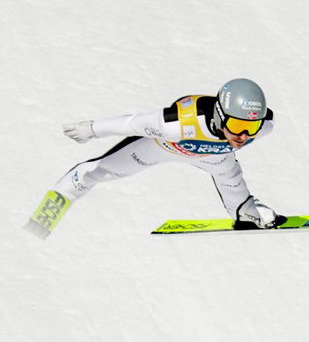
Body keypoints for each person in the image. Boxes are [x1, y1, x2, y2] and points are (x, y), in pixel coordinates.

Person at [25, 78, 284, 239]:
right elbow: (132, 124)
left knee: (229, 174)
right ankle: (42, 220)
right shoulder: (178, 124)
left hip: (213, 154)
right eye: (236, 125)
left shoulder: (264, 126)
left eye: (251, 128)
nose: (242, 136)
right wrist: (92, 129)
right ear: (218, 114)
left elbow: (240, 143)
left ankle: (243, 211)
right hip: (161, 148)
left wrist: (242, 131)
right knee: (93, 173)